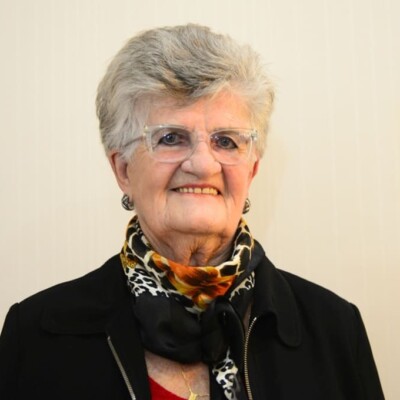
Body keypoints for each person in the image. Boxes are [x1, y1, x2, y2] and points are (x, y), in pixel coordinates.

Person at [0, 24, 384, 400]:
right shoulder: (37, 336)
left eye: (226, 141)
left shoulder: (334, 329)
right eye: (171, 138)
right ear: (123, 170)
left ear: (251, 170)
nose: (203, 164)